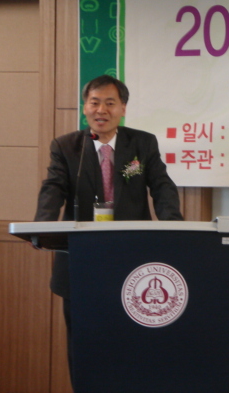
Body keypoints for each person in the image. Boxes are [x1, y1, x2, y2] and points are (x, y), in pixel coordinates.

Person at [34, 74, 183, 384]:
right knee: (82, 342)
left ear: (123, 108)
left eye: (110, 103)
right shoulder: (66, 146)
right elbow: (54, 187)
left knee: (130, 338)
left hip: (131, 259)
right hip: (80, 259)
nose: (101, 110)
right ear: (84, 107)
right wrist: (42, 225)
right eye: (94, 102)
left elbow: (162, 186)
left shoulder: (142, 143)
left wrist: (174, 227)